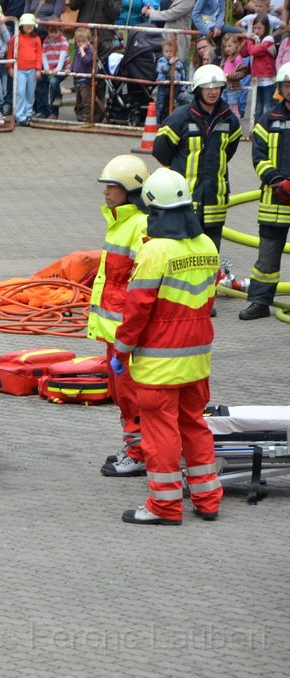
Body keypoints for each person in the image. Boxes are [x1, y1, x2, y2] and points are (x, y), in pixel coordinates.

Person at [113, 167, 222, 525]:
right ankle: (207, 499)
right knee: (195, 425)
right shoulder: (207, 245)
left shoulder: (155, 251)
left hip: (159, 364)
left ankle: (164, 506)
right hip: (197, 361)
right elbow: (207, 300)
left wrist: (121, 351)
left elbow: (137, 311)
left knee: (161, 432)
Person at [90, 155, 149, 477]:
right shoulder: (119, 223)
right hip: (116, 331)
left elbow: (142, 284)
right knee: (120, 393)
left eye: (112, 186)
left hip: (127, 332)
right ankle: (133, 446)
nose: (106, 192)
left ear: (130, 190)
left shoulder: (138, 226)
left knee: (131, 394)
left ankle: (140, 453)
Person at [152, 63, 241, 255]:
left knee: (210, 255)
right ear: (198, 90)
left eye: (216, 87)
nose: (212, 92)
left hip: (214, 201)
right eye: (208, 88)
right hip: (184, 199)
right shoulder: (181, 118)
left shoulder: (229, 120)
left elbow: (228, 152)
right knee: (181, 253)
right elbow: (160, 150)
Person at [241, 61, 290, 320]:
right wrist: (277, 181)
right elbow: (259, 157)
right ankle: (260, 302)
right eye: (287, 85)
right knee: (267, 257)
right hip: (275, 199)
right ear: (281, 88)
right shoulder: (268, 120)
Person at [7, 13, 41, 126]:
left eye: (31, 25)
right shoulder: (15, 38)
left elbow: (39, 54)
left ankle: (28, 114)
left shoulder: (36, 39)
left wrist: (38, 69)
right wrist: (10, 66)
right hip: (20, 69)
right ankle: (19, 115)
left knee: (30, 93)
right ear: (21, 25)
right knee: (20, 92)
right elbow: (10, 52)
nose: (29, 27)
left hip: (32, 70)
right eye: (26, 25)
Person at [241, 14, 277, 121]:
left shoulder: (268, 39)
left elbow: (254, 51)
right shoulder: (253, 41)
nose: (256, 31)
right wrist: (248, 40)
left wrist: (248, 40)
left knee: (270, 105)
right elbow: (243, 53)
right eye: (254, 28)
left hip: (267, 79)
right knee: (257, 107)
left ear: (266, 28)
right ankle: (257, 128)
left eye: (259, 28)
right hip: (256, 79)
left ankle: (272, 126)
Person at [35, 18, 67, 119]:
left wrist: (58, 69)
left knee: (53, 83)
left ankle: (54, 111)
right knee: (40, 81)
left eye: (55, 32)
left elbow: (62, 56)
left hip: (62, 68)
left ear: (61, 31)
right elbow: (43, 55)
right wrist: (47, 68)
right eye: (50, 31)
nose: (52, 34)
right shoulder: (46, 41)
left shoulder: (63, 41)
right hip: (50, 68)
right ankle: (43, 110)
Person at [154, 36, 189, 120]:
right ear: (163, 52)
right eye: (166, 51)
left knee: (173, 103)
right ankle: (157, 120)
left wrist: (183, 87)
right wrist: (169, 64)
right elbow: (162, 69)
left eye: (171, 51)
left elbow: (182, 74)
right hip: (164, 85)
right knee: (160, 103)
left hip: (176, 86)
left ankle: (170, 119)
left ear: (175, 51)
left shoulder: (178, 62)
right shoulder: (162, 61)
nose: (169, 53)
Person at [221, 32, 249, 116]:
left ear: (236, 45)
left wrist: (228, 75)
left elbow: (241, 73)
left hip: (233, 88)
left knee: (233, 109)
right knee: (224, 107)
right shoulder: (227, 58)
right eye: (225, 46)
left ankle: (236, 124)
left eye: (229, 46)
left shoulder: (237, 58)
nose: (227, 49)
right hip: (226, 86)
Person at [71, 27, 95, 122]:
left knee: (86, 100)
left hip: (85, 80)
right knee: (79, 100)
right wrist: (71, 69)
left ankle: (87, 117)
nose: (80, 44)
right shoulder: (78, 51)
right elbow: (75, 61)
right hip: (77, 79)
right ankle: (79, 115)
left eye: (83, 41)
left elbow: (86, 61)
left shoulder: (89, 51)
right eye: (78, 41)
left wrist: (82, 51)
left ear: (88, 40)